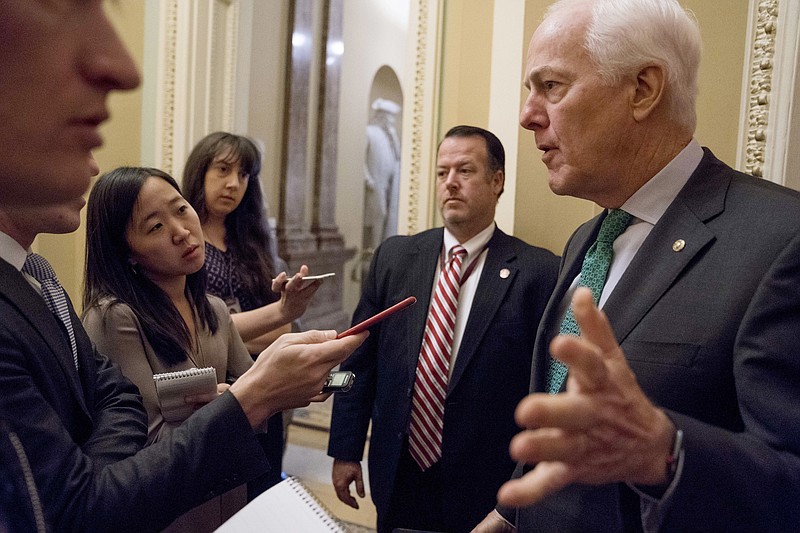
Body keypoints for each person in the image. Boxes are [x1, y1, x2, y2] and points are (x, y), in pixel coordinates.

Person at [0, 2, 365, 531]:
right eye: (60, 8)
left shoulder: (40, 278)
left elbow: (117, 396)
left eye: (180, 212)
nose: (123, 66)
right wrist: (247, 396)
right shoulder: (113, 312)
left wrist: (105, 463)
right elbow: (82, 505)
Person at [474, 0, 800, 531]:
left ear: (644, 89)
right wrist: (508, 517)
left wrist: (666, 456)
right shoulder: (588, 238)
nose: (528, 115)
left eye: (551, 86)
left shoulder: (783, 241)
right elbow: (567, 422)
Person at [328, 125, 559, 533]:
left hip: (486, 486)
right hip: (398, 472)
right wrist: (345, 450)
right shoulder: (396, 257)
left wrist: (524, 486)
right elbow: (357, 362)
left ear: (497, 180)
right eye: (442, 172)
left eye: (465, 171)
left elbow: (544, 390)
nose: (450, 182)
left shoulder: (539, 273)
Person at [82, 166, 269, 531]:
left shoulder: (213, 308)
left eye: (181, 209)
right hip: (169, 512)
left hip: (227, 497)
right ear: (127, 252)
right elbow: (143, 442)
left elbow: (255, 401)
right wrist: (239, 400)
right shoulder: (115, 318)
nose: (182, 232)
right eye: (155, 226)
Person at [182, 132, 320, 497]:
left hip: (265, 381)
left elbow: (285, 327)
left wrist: (252, 324)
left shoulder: (254, 243)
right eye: (223, 170)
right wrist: (267, 319)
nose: (233, 184)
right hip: (211, 389)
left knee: (263, 488)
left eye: (243, 175)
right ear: (200, 172)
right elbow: (197, 329)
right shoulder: (184, 242)